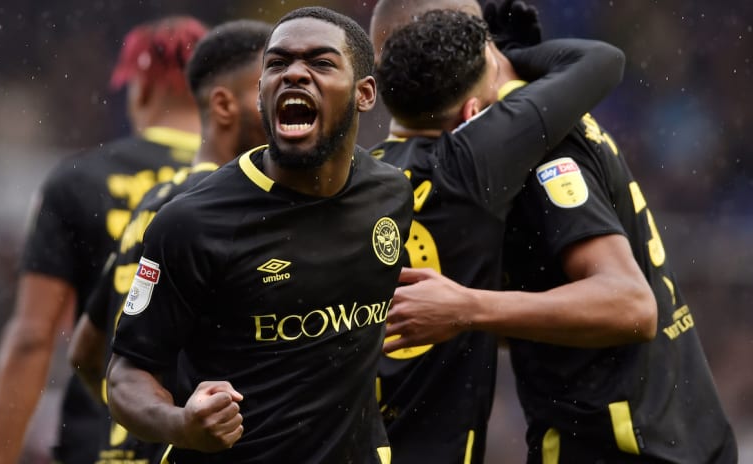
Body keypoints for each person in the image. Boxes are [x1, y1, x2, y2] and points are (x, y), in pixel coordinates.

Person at [380, 12, 739, 464]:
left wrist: (469, 307)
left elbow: (630, 304)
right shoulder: (548, 116)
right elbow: (544, 301)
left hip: (615, 445)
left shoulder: (534, 149)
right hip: (683, 431)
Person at [106, 7, 413, 464]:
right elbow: (125, 376)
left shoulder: (390, 194)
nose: (293, 74)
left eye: (321, 63)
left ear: (365, 93)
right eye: (277, 63)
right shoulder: (191, 222)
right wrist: (183, 425)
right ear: (260, 95)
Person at [368, 1, 626, 463]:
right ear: (472, 112)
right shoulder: (470, 164)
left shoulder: (351, 177)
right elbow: (603, 61)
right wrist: (499, 54)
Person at [0, 16, 208, 464]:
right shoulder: (238, 184)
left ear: (139, 89)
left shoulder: (77, 180)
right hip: (207, 430)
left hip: (102, 432)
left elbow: (32, 337)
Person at [66, 19, 272, 463]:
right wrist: (178, 426)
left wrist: (135, 417)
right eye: (267, 84)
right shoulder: (231, 208)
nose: (286, 95)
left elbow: (85, 350)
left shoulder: (154, 203)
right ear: (224, 105)